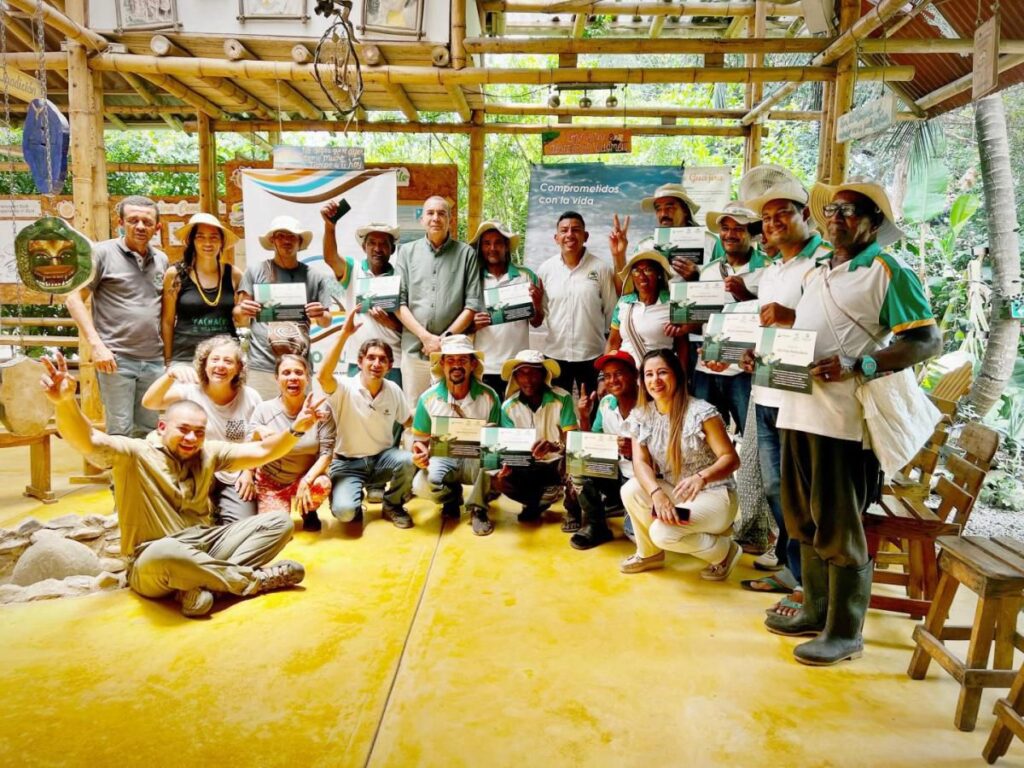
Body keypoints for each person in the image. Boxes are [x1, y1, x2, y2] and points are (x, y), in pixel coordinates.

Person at [765, 181, 941, 666]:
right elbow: (807, 334)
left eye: (851, 211)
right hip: (798, 406)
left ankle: (845, 631)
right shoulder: (822, 271)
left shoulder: (886, 270)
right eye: (833, 210)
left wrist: (858, 364)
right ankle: (816, 609)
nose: (837, 218)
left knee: (840, 522)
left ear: (874, 223)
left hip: (844, 419)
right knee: (803, 516)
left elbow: (926, 341)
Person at [39, 351, 317, 618]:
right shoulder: (135, 453)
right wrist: (64, 403)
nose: (191, 439)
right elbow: (87, 439)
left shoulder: (208, 452)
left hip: (204, 545)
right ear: (162, 428)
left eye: (198, 432)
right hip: (152, 557)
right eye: (183, 430)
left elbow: (262, 452)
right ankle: (251, 580)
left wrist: (297, 429)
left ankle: (198, 586)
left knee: (279, 522)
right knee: (166, 552)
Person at [738, 179, 832, 604]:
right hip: (768, 391)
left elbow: (832, 329)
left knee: (804, 493)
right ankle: (793, 569)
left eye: (784, 214)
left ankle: (813, 583)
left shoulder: (826, 264)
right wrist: (752, 356)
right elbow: (770, 332)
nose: (773, 223)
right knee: (778, 488)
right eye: (767, 217)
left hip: (805, 399)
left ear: (805, 216)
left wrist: (791, 316)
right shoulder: (773, 269)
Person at [619, 349, 742, 581]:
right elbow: (641, 462)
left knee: (662, 532)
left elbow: (731, 458)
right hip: (678, 493)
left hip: (714, 495)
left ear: (677, 375)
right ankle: (649, 554)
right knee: (631, 490)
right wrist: (657, 494)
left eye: (662, 373)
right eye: (649, 375)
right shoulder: (641, 415)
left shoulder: (701, 412)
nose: (655, 380)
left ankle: (724, 552)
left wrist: (701, 477)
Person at [65, 196, 167, 437]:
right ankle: (118, 477)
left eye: (147, 221)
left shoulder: (161, 259)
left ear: (157, 227)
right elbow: (73, 298)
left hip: (153, 360)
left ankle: (143, 477)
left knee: (149, 433)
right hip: (116, 359)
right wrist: (96, 346)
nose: (140, 226)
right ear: (120, 222)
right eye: (133, 220)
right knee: (120, 433)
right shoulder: (101, 253)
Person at [141, 335, 263, 524]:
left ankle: (220, 510)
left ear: (239, 368)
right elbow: (150, 402)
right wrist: (169, 375)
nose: (220, 365)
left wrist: (249, 472)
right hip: (194, 468)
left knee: (243, 525)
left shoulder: (251, 397)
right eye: (214, 360)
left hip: (234, 472)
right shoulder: (190, 391)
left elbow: (256, 439)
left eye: (228, 361)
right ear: (204, 364)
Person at [317, 312, 416, 529]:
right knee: (345, 514)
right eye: (371, 358)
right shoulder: (344, 387)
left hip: (382, 460)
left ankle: (392, 504)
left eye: (382, 359)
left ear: (390, 366)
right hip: (347, 463)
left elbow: (410, 422)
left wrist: (431, 436)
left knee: (410, 460)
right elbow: (323, 376)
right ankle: (349, 500)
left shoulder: (393, 390)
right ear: (360, 361)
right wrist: (344, 334)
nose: (376, 363)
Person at [394, 196, 483, 406]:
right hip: (415, 350)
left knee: (450, 410)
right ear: (422, 219)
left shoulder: (466, 254)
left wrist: (442, 341)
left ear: (450, 219)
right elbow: (398, 303)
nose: (436, 218)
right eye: (430, 213)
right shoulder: (406, 253)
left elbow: (471, 305)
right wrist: (426, 338)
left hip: (453, 353)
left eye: (442, 213)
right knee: (415, 412)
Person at [233, 216, 335, 399]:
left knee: (300, 421)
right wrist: (243, 310)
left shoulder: (315, 276)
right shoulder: (255, 271)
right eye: (281, 236)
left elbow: (326, 321)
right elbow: (239, 317)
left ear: (300, 241)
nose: (287, 240)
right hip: (262, 365)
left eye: (293, 236)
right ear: (272, 240)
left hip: (298, 366)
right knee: (260, 419)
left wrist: (320, 314)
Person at [410, 335, 501, 536]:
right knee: (424, 483)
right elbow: (419, 440)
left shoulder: (489, 396)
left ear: (472, 364)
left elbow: (499, 439)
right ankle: (451, 499)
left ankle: (478, 508)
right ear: (442, 364)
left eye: (462, 360)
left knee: (492, 461)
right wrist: (420, 452)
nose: (456, 366)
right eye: (450, 360)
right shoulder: (428, 398)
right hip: (445, 458)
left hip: (476, 461)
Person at [691, 202, 768, 434]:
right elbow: (702, 319)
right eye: (725, 228)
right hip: (707, 367)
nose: (730, 234)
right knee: (705, 437)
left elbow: (769, 321)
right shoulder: (709, 270)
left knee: (750, 435)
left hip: (744, 372)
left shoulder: (768, 268)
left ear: (751, 233)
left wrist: (744, 294)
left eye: (738, 228)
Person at [248, 354, 336, 532]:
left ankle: (308, 511)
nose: (293, 377)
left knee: (322, 484)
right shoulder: (263, 410)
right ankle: (278, 506)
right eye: (286, 373)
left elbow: (327, 453)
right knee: (276, 529)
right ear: (277, 378)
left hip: (305, 477)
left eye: (298, 372)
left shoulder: (322, 411)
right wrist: (257, 434)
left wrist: (306, 481)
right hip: (271, 481)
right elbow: (250, 445)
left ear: (307, 377)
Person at [536, 211, 617, 397]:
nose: (570, 235)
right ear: (556, 238)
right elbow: (541, 313)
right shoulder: (545, 270)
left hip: (592, 356)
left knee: (594, 411)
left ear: (585, 236)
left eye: (576, 230)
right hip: (555, 355)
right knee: (556, 414)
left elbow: (612, 314)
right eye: (564, 230)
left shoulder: (601, 269)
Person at [320, 209, 404, 387]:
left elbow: (406, 326)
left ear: (392, 249)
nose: (377, 248)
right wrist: (330, 227)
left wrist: (389, 322)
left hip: (393, 362)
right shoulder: (354, 269)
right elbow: (330, 258)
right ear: (363, 247)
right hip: (358, 360)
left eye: (383, 244)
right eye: (372, 243)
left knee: (391, 412)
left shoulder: (400, 276)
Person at [493, 350, 578, 527]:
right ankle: (535, 502)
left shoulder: (563, 398)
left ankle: (573, 510)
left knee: (577, 462)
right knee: (499, 480)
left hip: (558, 462)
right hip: (528, 465)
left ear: (543, 374)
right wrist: (506, 464)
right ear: (515, 377)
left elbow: (573, 441)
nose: (528, 379)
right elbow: (509, 446)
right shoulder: (508, 407)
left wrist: (555, 447)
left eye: (533, 372)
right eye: (522, 374)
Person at [571, 350, 639, 550]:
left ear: (634, 375)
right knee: (578, 462)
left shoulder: (652, 404)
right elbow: (592, 445)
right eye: (607, 376)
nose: (612, 380)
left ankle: (624, 507)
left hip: (644, 479)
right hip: (616, 473)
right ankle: (596, 525)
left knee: (634, 535)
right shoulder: (606, 403)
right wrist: (584, 416)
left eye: (619, 373)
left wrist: (636, 450)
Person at [469, 221, 545, 394]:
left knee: (513, 418)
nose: (492, 248)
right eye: (487, 243)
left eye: (498, 243)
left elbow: (537, 322)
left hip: (517, 365)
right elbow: (463, 320)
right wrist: (473, 324)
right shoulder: (472, 279)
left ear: (506, 246)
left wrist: (537, 305)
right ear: (481, 248)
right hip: (483, 365)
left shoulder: (526, 276)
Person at [160, 213, 242, 367]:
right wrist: (169, 360)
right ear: (191, 241)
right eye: (200, 237)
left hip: (225, 360)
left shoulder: (234, 274)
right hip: (185, 358)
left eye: (213, 237)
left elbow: (242, 319)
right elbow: (167, 321)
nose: (207, 243)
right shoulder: (175, 275)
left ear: (222, 241)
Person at [608, 182, 719, 283]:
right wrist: (619, 255)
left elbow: (724, 289)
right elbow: (625, 291)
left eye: (669, 207)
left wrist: (697, 278)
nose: (663, 214)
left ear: (685, 210)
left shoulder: (711, 243)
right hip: (655, 306)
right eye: (658, 209)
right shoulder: (645, 246)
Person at [605, 249, 685, 365]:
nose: (641, 277)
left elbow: (682, 346)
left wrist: (682, 377)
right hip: (628, 377)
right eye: (636, 271)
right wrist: (605, 374)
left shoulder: (673, 304)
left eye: (648, 270)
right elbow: (613, 343)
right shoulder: (624, 303)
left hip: (658, 376)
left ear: (658, 274)